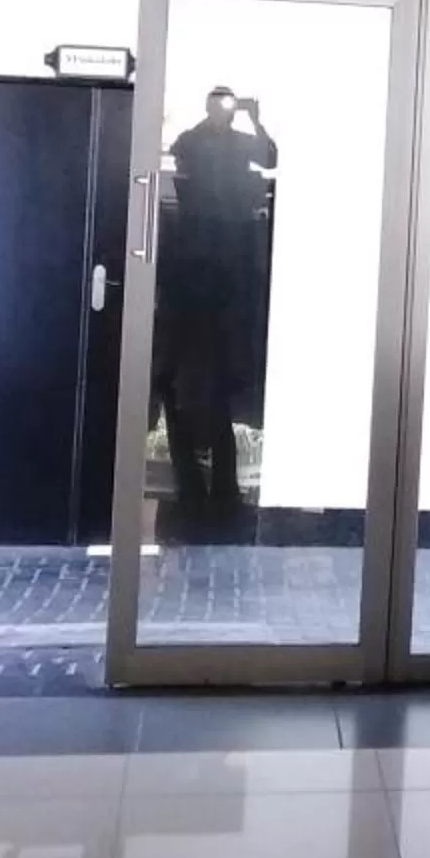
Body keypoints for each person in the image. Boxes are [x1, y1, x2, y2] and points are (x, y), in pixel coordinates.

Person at [152, 87, 278, 536]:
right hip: (200, 258)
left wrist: (255, 120)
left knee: (213, 375)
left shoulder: (236, 143)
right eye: (218, 105)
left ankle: (219, 489)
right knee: (186, 372)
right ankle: (197, 482)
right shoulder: (195, 140)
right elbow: (183, 155)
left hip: (224, 264)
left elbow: (269, 154)